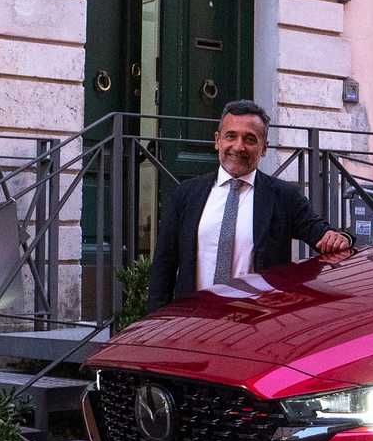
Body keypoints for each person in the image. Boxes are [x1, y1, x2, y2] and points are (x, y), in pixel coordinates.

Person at [144, 100, 352, 314]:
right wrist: (154, 321)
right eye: (231, 136)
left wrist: (340, 238)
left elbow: (320, 233)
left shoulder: (283, 197)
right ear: (217, 141)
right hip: (194, 322)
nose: (238, 146)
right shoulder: (186, 194)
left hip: (256, 326)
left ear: (264, 148)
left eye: (250, 139)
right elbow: (164, 265)